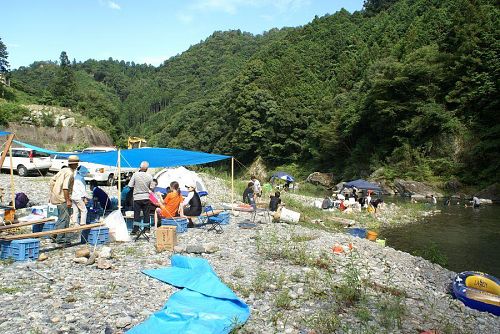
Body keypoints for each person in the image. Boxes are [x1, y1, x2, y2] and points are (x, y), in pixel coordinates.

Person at [49, 155, 79, 245]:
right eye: (76, 164)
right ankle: (61, 238)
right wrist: (68, 200)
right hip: (63, 198)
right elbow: (65, 188)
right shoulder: (69, 173)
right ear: (74, 164)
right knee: (65, 219)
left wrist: (52, 194)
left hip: (57, 197)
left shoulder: (63, 170)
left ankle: (53, 235)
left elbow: (52, 181)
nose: (77, 165)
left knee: (61, 218)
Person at [128, 161, 153, 231]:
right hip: (146, 197)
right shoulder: (150, 176)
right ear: (147, 168)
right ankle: (147, 228)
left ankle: (136, 229)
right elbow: (152, 187)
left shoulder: (135, 175)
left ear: (140, 167)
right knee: (146, 214)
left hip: (137, 197)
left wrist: (136, 188)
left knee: (137, 214)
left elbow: (130, 186)